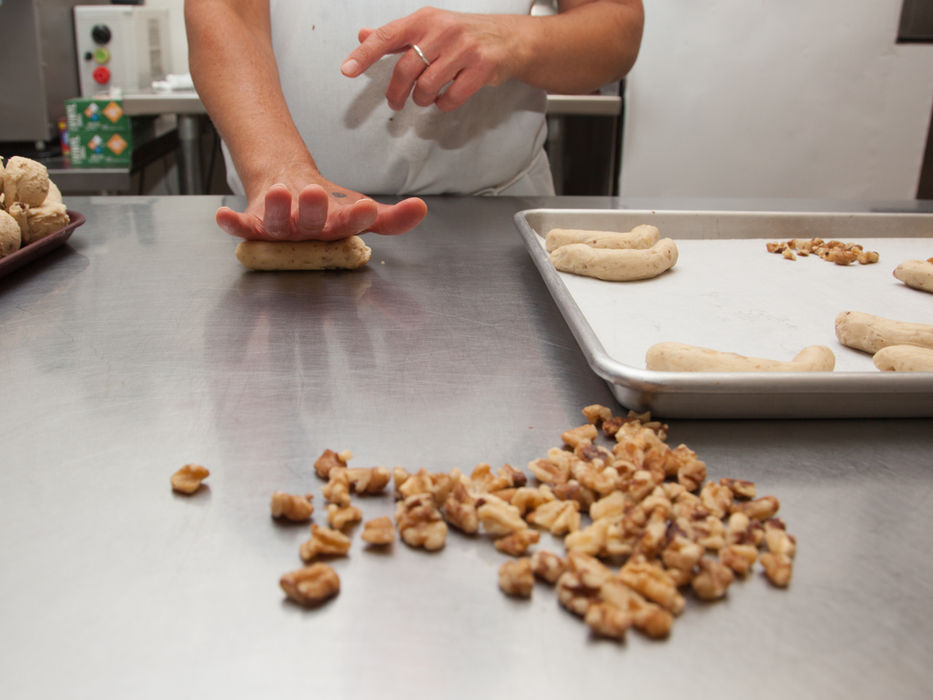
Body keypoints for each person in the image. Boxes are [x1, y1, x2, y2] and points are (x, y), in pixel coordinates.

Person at [185, 1, 644, 241]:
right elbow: (225, 10)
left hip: (497, 221)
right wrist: (277, 169)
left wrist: (513, 39)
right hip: (278, 215)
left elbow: (617, 27)